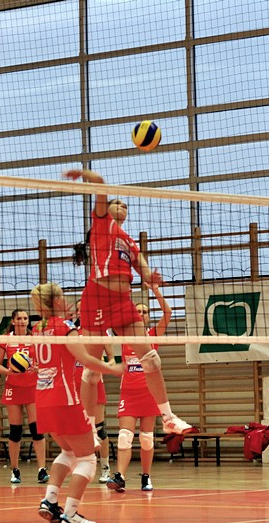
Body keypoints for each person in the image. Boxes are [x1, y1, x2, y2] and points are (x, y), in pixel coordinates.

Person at [64, 168, 191, 436]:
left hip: (122, 301)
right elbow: (100, 184)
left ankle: (168, 417)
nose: (122, 206)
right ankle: (88, 426)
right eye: (117, 203)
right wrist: (85, 174)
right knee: (92, 371)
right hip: (97, 298)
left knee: (152, 360)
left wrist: (151, 277)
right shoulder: (102, 225)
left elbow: (143, 269)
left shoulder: (130, 242)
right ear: (107, 209)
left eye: (125, 205)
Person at [31, 282, 123, 523]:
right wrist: (113, 368)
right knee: (88, 459)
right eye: (62, 297)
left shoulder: (37, 329)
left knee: (69, 452)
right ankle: (70, 514)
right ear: (57, 301)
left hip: (42, 400)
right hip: (64, 399)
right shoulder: (65, 328)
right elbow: (85, 360)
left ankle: (50, 501)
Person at [109, 284, 172, 493]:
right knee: (124, 436)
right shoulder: (125, 335)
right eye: (138, 311)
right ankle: (120, 477)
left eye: (145, 312)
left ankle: (146, 476)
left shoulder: (153, 334)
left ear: (147, 317)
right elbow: (111, 318)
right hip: (128, 392)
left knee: (146, 438)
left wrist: (155, 290)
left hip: (149, 393)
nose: (141, 314)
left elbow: (168, 313)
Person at [0, 309, 49, 484]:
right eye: (19, 318)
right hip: (13, 387)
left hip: (32, 387)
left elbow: (45, 362)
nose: (23, 321)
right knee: (15, 431)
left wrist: (39, 368)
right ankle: (15, 470)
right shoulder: (6, 340)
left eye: (25, 318)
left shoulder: (35, 339)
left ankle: (42, 469)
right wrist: (9, 371)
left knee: (36, 429)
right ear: (13, 321)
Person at [72, 335, 113, 484]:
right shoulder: (72, 332)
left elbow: (112, 359)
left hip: (94, 384)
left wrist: (102, 366)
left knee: (99, 429)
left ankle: (105, 467)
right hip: (75, 386)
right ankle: (81, 465)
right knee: (77, 430)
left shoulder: (101, 333)